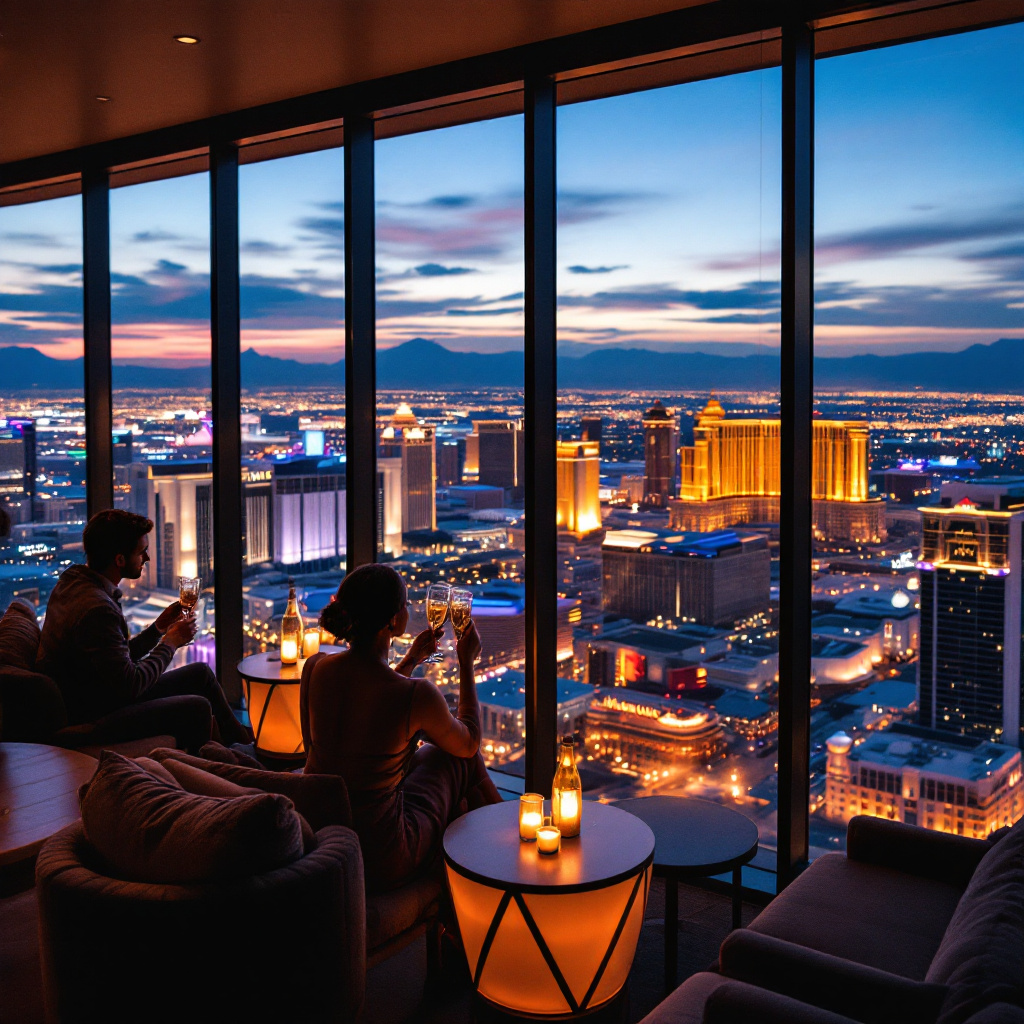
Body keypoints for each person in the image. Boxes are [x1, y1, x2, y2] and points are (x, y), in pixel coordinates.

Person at [300, 564, 500, 892]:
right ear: (394, 621)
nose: (409, 610)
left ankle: (494, 855)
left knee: (438, 755)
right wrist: (467, 664)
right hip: (382, 853)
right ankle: (504, 854)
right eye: (406, 604)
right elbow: (470, 742)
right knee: (459, 759)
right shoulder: (416, 694)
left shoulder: (317, 667)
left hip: (322, 828)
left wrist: (409, 660)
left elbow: (369, 711)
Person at [37, 508, 250, 750]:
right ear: (119, 560)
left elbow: (115, 659)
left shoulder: (73, 583)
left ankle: (242, 747)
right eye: (141, 552)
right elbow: (131, 685)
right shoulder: (97, 608)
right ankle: (211, 768)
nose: (146, 558)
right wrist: (170, 644)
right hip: (94, 713)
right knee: (197, 706)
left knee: (200, 674)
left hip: (98, 693)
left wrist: (158, 627)